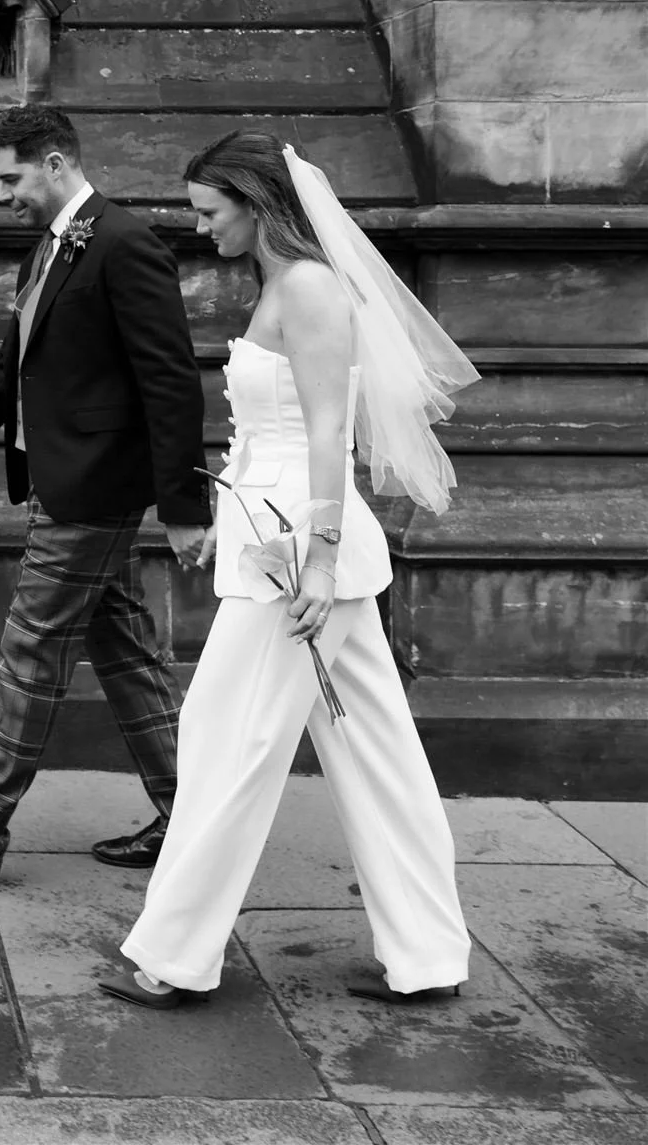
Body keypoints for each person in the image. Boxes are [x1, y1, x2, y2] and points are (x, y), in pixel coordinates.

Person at [100, 130, 476, 1009]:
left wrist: (318, 560)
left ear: (255, 202)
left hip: (297, 558)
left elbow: (323, 434)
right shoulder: (284, 283)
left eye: (207, 211)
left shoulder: (305, 287)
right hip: (283, 543)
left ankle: (172, 957)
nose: (199, 230)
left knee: (226, 742)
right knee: (376, 754)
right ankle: (425, 955)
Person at [0, 103, 210, 893]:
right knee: (125, 653)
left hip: (94, 491)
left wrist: (185, 507)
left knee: (29, 652)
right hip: (65, 482)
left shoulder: (124, 244)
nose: (2, 196)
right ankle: (195, 818)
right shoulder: (44, 254)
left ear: (56, 163)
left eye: (10, 178)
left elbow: (170, 384)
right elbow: (7, 372)